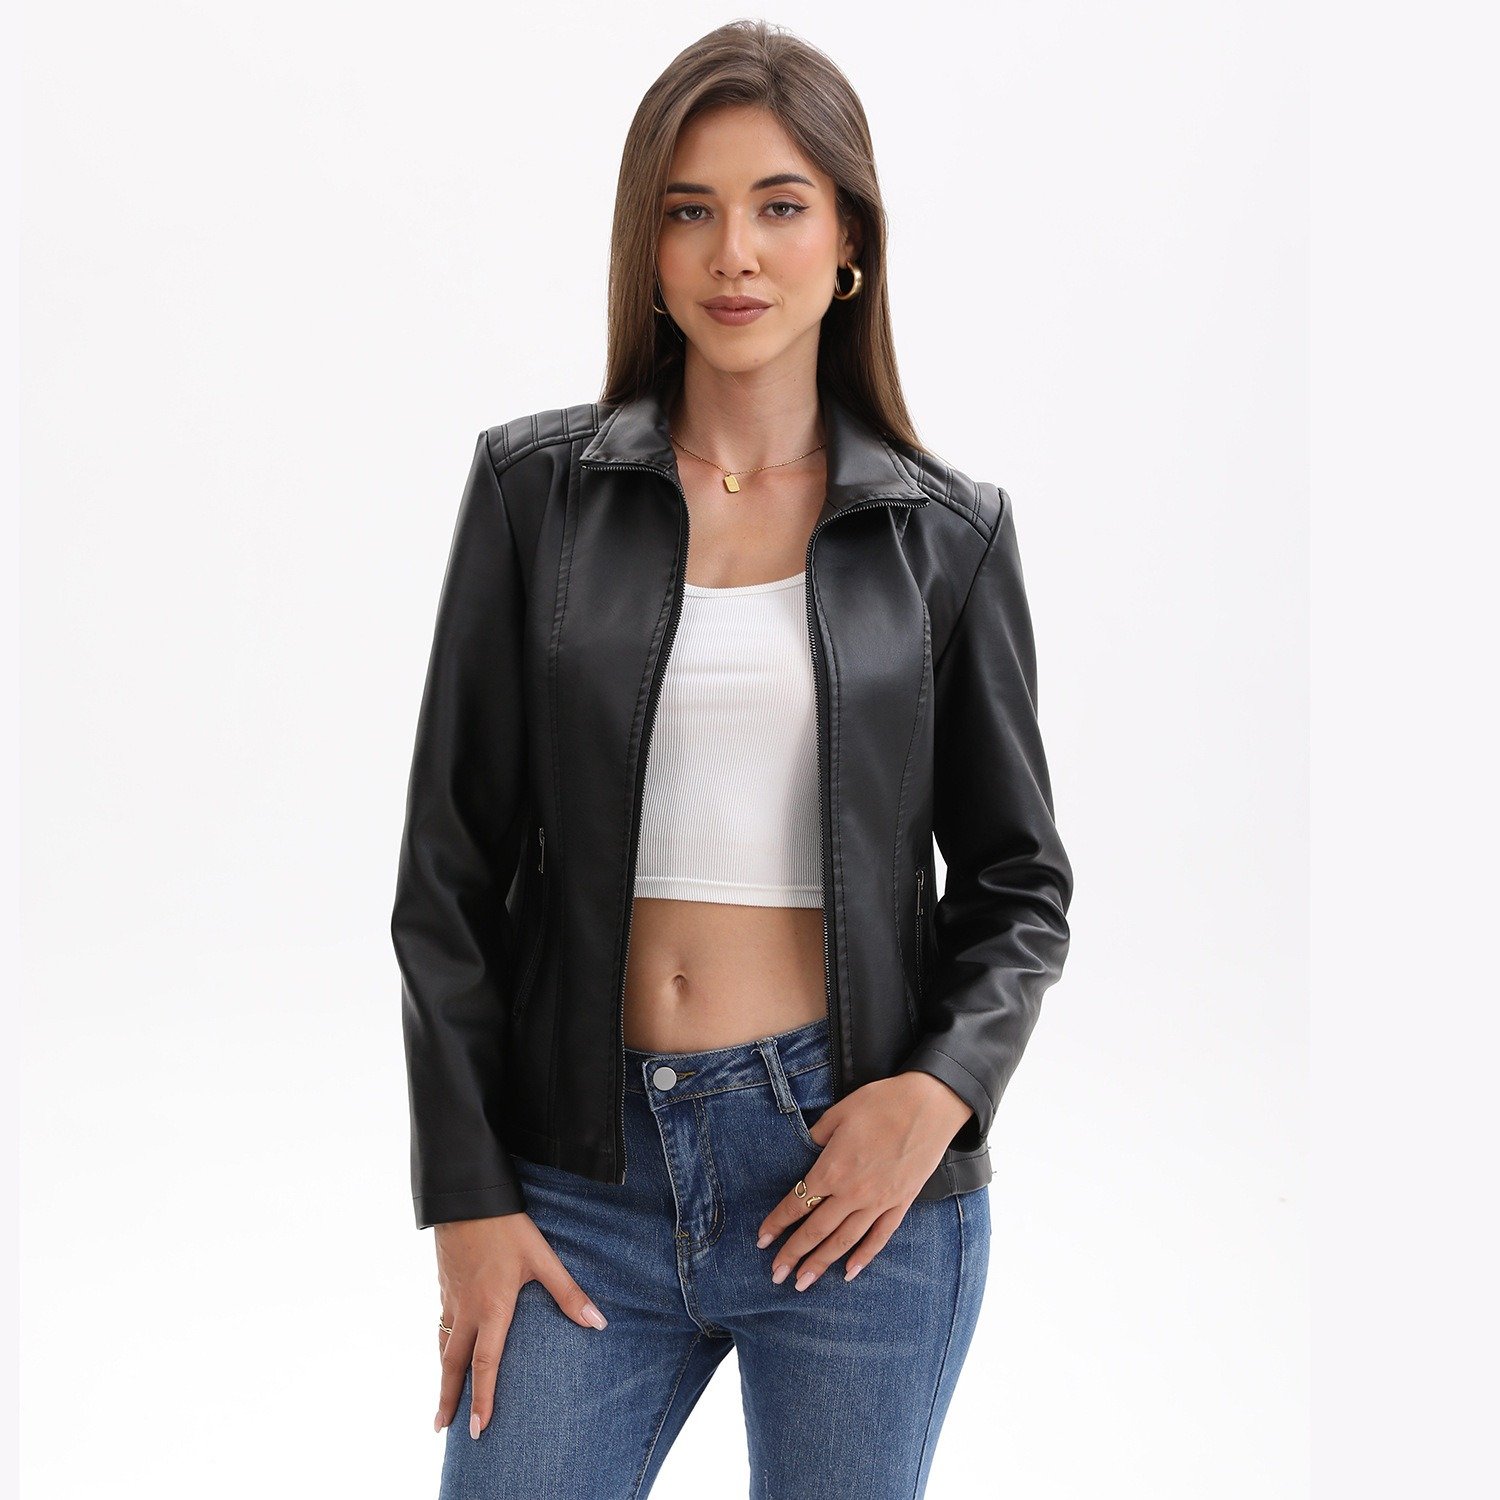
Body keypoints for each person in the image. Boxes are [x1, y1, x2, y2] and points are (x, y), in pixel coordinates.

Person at [390, 20, 1073, 1499]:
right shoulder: (533, 496)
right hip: (578, 1177)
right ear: (647, 248)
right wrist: (466, 1195)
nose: (734, 253)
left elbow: (1020, 882)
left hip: (852, 1184)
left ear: (849, 244)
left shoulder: (947, 539)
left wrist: (938, 1095)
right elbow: (447, 878)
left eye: (780, 204)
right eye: (690, 210)